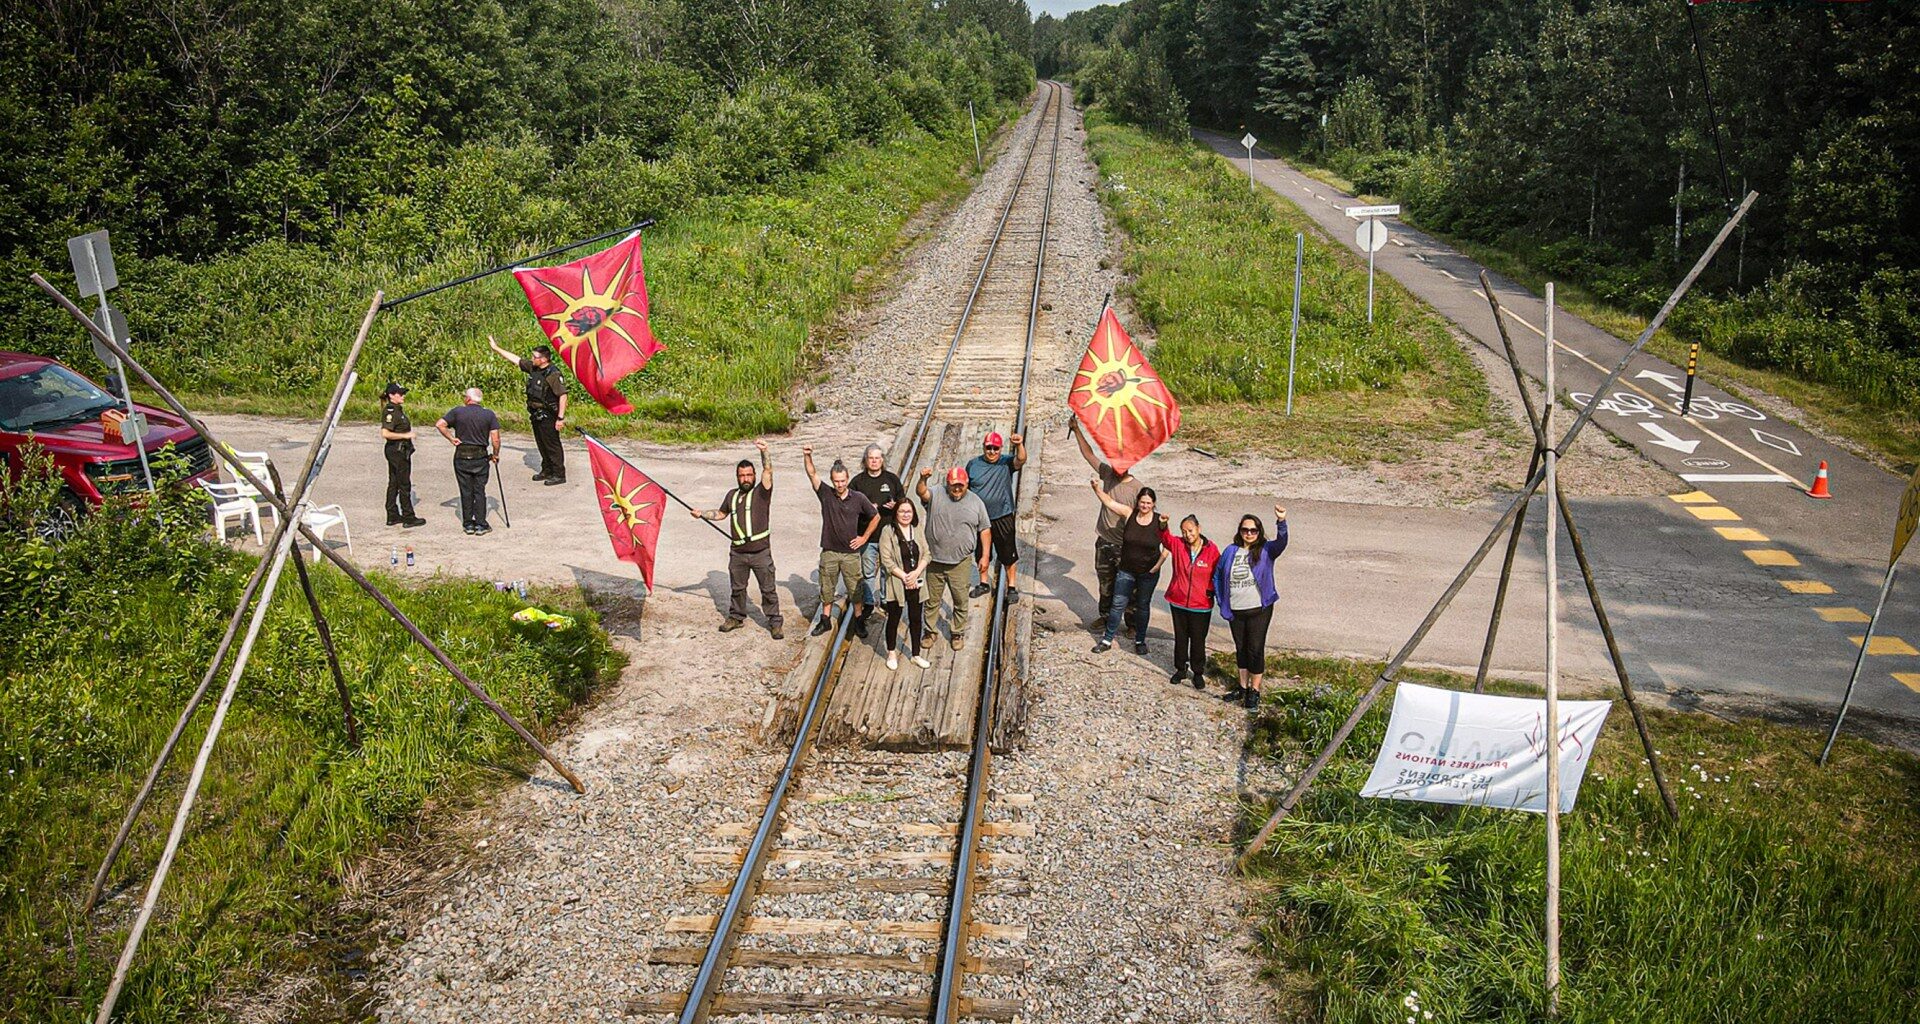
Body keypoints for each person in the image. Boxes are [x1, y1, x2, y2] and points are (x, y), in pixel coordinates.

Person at [690, 439, 782, 639]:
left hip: (760, 553)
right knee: (737, 588)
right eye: (742, 476)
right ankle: (736, 617)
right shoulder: (731, 495)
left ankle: (774, 622)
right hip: (738, 553)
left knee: (768, 589)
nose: (746, 478)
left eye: (749, 475)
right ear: (737, 477)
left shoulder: (762, 492)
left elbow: (768, 471)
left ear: (754, 476)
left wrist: (765, 451)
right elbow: (721, 514)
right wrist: (702, 513)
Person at [1212, 505, 1290, 709]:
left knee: (1255, 649)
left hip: (1259, 610)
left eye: (1253, 530)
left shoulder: (1266, 550)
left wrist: (1281, 522)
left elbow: (1282, 543)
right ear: (1239, 531)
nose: (1249, 534)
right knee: (1241, 648)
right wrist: (1222, 602)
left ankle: (1254, 691)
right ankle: (1242, 687)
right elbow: (1218, 575)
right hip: (1236, 610)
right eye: (1245, 530)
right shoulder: (1230, 551)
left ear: (1259, 531)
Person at [1072, 419, 1143, 629]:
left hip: (1125, 546)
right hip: (1104, 541)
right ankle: (1105, 617)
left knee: (1129, 587)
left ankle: (1132, 623)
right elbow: (1089, 455)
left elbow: (1143, 521)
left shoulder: (1138, 490)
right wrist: (1076, 430)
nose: (1118, 467)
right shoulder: (1108, 475)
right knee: (1106, 584)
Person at [915, 466, 992, 652]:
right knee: (932, 599)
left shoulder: (976, 502)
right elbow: (921, 492)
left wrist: (985, 556)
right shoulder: (936, 493)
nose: (957, 489)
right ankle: (930, 630)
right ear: (947, 484)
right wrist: (923, 479)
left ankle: (957, 632)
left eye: (960, 485)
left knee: (960, 599)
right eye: (953, 485)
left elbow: (985, 529)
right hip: (934, 560)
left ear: (966, 484)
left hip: (961, 562)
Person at [804, 447, 878, 637]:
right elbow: (811, 473)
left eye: (843, 481)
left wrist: (864, 537)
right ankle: (825, 619)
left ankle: (859, 621)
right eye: (836, 481)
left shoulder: (858, 498)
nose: (840, 484)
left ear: (848, 478)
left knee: (855, 588)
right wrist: (808, 455)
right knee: (827, 587)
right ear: (832, 480)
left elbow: (875, 516)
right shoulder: (826, 494)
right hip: (829, 551)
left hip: (851, 553)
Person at [1089, 481, 1166, 655]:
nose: (1145, 505)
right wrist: (1096, 489)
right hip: (1127, 570)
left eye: (1148, 503)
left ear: (1153, 503)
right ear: (1137, 502)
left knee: (1142, 605)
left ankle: (1140, 640)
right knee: (1117, 603)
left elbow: (1168, 545)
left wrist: (1158, 565)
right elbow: (1109, 502)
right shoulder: (1129, 513)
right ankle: (1107, 639)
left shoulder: (1159, 520)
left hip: (1148, 573)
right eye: (1142, 502)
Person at [487, 334, 569, 484]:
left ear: (544, 359)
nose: (532, 358)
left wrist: (560, 418)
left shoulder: (553, 374)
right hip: (535, 413)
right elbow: (515, 359)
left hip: (549, 415)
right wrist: (496, 348)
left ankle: (559, 474)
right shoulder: (533, 368)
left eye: (535, 356)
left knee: (552, 445)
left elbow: (562, 396)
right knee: (541, 443)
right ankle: (547, 469)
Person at [848, 444, 906, 636]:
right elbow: (848, 506)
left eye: (878, 458)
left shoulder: (891, 479)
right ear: (865, 460)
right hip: (867, 535)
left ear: (883, 460)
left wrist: (895, 505)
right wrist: (866, 507)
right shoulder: (857, 482)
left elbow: (903, 502)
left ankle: (885, 599)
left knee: (886, 571)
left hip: (888, 534)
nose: (874, 461)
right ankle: (868, 603)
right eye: (871, 458)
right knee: (868, 572)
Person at [964, 430, 1026, 601]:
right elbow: (965, 488)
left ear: (1001, 449)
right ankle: (984, 583)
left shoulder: (1005, 462)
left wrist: (1019, 444)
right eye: (989, 448)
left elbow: (1021, 459)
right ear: (984, 447)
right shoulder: (973, 464)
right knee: (981, 552)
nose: (992, 451)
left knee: (1008, 552)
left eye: (995, 448)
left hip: (1003, 515)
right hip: (980, 517)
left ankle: (1011, 586)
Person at [1160, 514, 1219, 688]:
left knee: (1198, 640)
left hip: (1201, 605)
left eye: (1191, 530)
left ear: (1198, 529)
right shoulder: (1178, 544)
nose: (1188, 535)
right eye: (1184, 531)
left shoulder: (1211, 549)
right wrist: (1163, 525)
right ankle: (1180, 669)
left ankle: (1198, 671)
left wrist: (1213, 592)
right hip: (1178, 601)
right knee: (1181, 638)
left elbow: (1219, 572)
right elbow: (1165, 538)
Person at [435, 388, 501, 535]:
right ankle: (481, 523)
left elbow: (440, 424)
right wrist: (495, 454)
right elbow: (495, 439)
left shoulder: (458, 412)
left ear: (467, 399)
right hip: (480, 456)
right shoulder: (488, 414)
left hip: (462, 455)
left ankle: (468, 524)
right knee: (479, 490)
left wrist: (451, 438)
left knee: (466, 490)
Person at [877, 498, 931, 670]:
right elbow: (886, 559)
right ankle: (891, 652)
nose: (905, 515)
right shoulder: (888, 531)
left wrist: (915, 574)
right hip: (897, 583)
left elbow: (927, 554)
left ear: (913, 513)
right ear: (896, 513)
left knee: (916, 619)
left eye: (909, 511)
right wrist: (905, 577)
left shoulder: (917, 529)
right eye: (902, 511)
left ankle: (915, 654)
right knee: (894, 617)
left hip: (917, 581)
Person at [378, 382, 425, 527]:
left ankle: (392, 514)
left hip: (399, 450)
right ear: (392, 395)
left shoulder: (397, 410)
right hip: (397, 451)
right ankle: (408, 516)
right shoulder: (391, 411)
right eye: (400, 394)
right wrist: (406, 436)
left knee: (394, 482)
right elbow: (385, 433)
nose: (403, 396)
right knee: (404, 484)